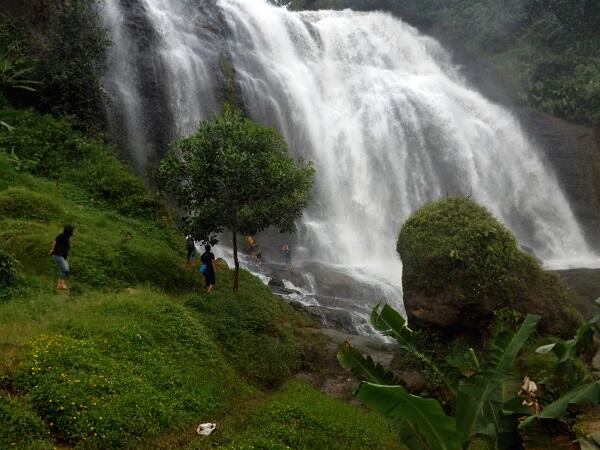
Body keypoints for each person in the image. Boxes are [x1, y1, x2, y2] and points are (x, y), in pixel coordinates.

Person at [48, 225, 74, 290]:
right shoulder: (62, 236)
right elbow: (55, 241)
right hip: (57, 255)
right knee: (65, 270)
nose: (74, 232)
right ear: (70, 231)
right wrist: (52, 249)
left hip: (63, 256)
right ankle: (61, 284)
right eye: (73, 230)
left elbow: (66, 248)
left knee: (64, 270)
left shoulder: (68, 237)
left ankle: (60, 285)